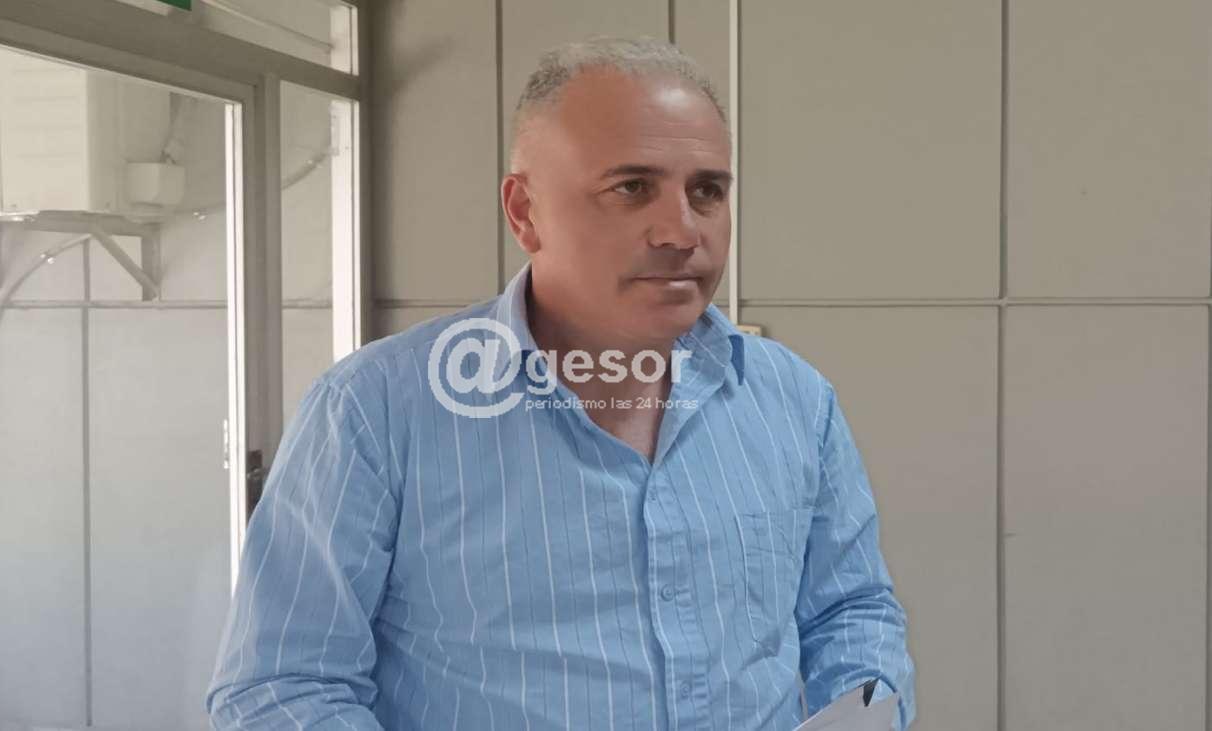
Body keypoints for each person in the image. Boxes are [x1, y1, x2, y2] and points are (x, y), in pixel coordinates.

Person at [207, 36, 916, 730]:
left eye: (707, 191)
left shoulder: (793, 399)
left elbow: (850, 610)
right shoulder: (376, 411)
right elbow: (280, 688)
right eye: (631, 188)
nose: (681, 231)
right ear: (525, 212)